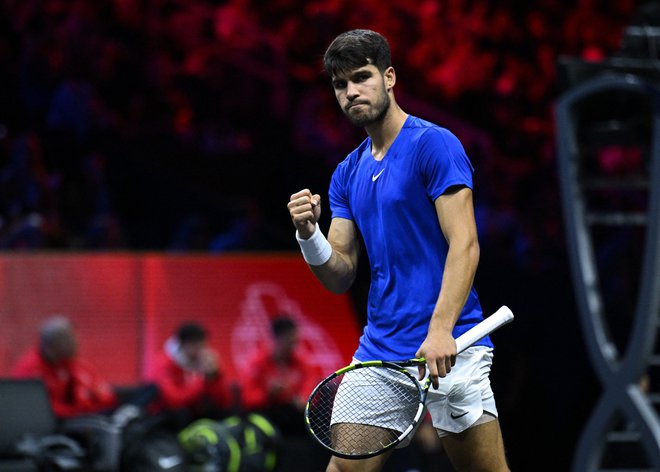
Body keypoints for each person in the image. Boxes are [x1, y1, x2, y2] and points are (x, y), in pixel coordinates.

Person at [287, 29, 509, 472]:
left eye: (362, 77)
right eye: (339, 84)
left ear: (389, 77)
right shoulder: (346, 174)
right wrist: (308, 233)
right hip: (380, 352)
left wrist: (441, 329)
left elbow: (464, 244)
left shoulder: (435, 145)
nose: (351, 92)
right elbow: (340, 273)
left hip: (452, 344)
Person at [10, 315, 118, 419]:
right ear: (50, 345)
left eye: (74, 337)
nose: (75, 343)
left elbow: (106, 397)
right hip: (52, 427)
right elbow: (37, 410)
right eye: (68, 340)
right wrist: (77, 413)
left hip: (88, 420)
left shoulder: (77, 366)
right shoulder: (30, 370)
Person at [241, 315, 319, 436]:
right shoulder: (256, 363)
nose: (293, 347)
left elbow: (311, 386)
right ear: (276, 339)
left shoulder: (302, 361)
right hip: (267, 414)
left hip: (295, 414)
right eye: (289, 342)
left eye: (295, 342)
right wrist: (269, 393)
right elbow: (248, 398)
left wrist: (303, 397)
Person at [147, 321, 231, 426]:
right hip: (167, 417)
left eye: (203, 345)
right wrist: (201, 380)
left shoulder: (205, 360)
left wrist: (214, 376)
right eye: (196, 345)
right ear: (184, 344)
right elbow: (173, 400)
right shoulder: (164, 364)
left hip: (196, 414)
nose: (200, 350)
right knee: (181, 414)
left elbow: (223, 402)